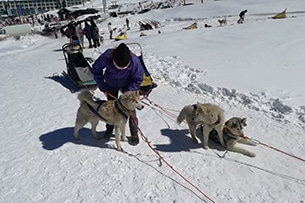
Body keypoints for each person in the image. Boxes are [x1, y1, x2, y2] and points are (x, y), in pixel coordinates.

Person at [91, 43, 144, 145]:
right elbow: (96, 69)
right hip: (111, 84)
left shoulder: (135, 62)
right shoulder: (107, 56)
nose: (120, 68)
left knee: (130, 107)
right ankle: (110, 127)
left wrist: (129, 93)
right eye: (118, 66)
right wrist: (102, 86)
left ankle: (134, 132)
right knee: (111, 107)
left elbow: (138, 79)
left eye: (123, 67)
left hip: (128, 86)